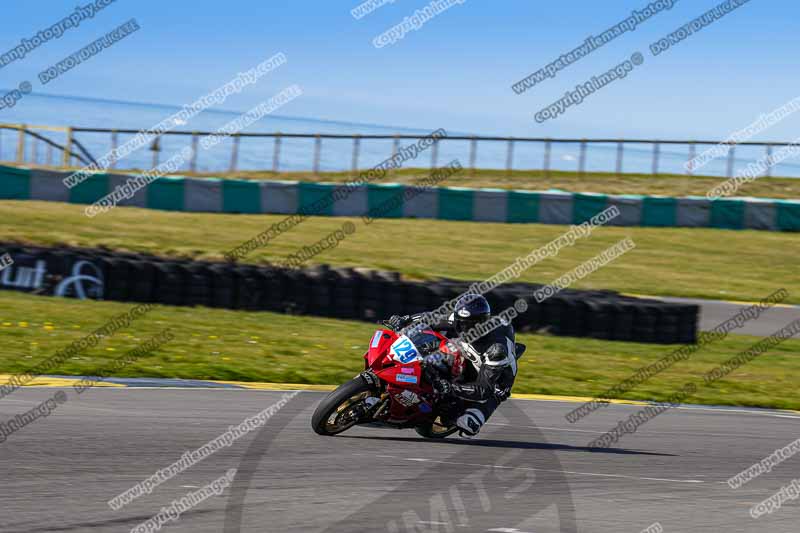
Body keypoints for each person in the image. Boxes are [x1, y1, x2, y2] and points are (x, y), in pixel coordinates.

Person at [382, 293, 518, 437]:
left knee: (467, 423)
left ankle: (451, 411)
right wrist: (404, 320)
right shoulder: (460, 320)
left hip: (493, 380)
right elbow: (430, 318)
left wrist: (452, 388)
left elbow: (483, 390)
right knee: (436, 351)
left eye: (470, 325)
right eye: (461, 323)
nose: (463, 328)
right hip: (469, 352)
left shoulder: (496, 350)